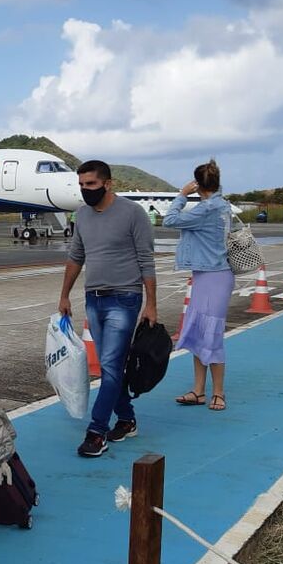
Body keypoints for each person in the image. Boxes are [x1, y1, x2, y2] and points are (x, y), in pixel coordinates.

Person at [58, 160, 157, 458]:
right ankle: (126, 419)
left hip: (125, 299)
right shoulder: (83, 215)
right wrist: (64, 295)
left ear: (108, 183)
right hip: (94, 299)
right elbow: (76, 255)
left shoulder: (132, 213)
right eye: (82, 185)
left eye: (91, 184)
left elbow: (146, 260)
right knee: (109, 367)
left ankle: (97, 431)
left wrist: (151, 304)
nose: (86, 190)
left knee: (112, 366)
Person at [164, 161, 234, 411]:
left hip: (213, 275)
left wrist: (182, 196)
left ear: (198, 184)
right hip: (208, 273)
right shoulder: (222, 204)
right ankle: (199, 390)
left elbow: (169, 220)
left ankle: (217, 392)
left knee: (211, 333)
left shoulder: (206, 209)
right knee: (197, 332)